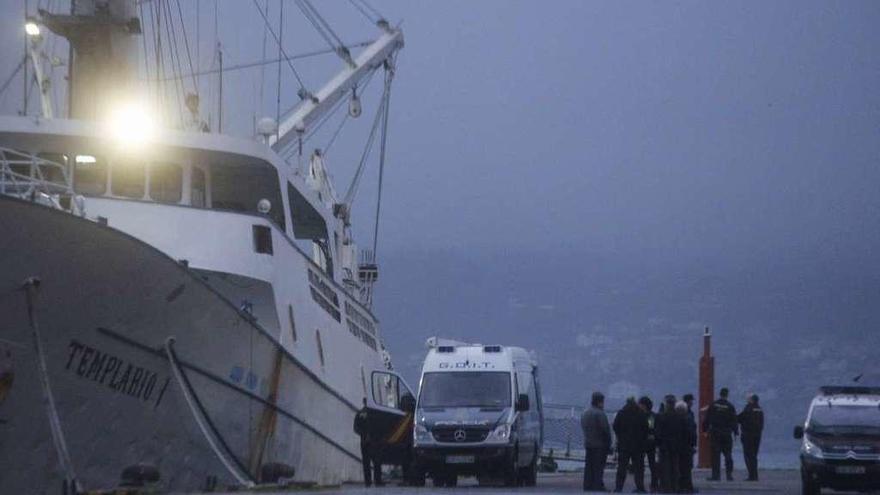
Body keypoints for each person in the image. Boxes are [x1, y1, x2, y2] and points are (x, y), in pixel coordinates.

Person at [613, 397, 649, 493]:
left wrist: (620, 436)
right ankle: (640, 487)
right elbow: (646, 428)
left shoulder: (621, 413)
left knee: (622, 467)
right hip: (638, 446)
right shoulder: (641, 414)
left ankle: (618, 487)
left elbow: (615, 426)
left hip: (624, 445)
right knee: (639, 468)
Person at [702, 387, 738, 481]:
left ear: (720, 394)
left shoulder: (713, 405)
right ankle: (729, 475)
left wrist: (704, 430)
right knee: (728, 454)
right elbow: (734, 420)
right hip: (726, 433)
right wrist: (736, 432)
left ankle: (716, 475)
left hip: (715, 433)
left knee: (715, 455)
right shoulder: (730, 406)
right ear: (727, 395)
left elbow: (707, 419)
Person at [655, 395, 686, 494]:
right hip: (676, 445)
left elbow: (657, 432)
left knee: (665, 468)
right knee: (675, 467)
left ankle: (666, 487)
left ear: (666, 404)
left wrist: (659, 443)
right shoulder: (680, 417)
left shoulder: (661, 416)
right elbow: (683, 432)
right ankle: (675, 486)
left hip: (664, 446)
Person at [581, 391, 612, 492]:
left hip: (588, 443)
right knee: (598, 467)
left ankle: (587, 485)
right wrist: (609, 444)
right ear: (600, 402)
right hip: (599, 445)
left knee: (589, 467)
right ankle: (597, 486)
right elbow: (605, 430)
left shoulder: (585, 412)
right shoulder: (600, 413)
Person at [353, 398, 383, 487]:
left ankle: (368, 482)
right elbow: (379, 426)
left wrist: (363, 434)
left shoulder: (359, 413)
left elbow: (355, 428)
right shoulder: (375, 413)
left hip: (364, 441)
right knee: (377, 462)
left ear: (363, 403)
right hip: (374, 441)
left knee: (366, 463)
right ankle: (378, 481)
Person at [738, 394, 764, 481]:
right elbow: (761, 423)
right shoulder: (760, 409)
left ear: (752, 400)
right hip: (757, 436)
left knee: (748, 455)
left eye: (748, 398)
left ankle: (752, 475)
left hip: (748, 435)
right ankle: (755, 475)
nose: (747, 399)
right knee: (754, 455)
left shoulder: (748, 408)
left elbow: (740, 418)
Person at [638, 396, 660, 492]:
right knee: (652, 465)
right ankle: (654, 484)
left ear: (644, 405)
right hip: (651, 443)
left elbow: (650, 428)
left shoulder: (645, 416)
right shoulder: (652, 415)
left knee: (641, 465)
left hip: (644, 443)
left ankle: (642, 485)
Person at [680, 394, 698, 493]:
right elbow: (691, 431)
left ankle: (685, 486)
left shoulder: (686, 413)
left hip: (684, 444)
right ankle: (687, 486)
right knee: (686, 467)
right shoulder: (688, 414)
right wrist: (693, 443)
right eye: (691, 401)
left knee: (685, 467)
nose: (692, 403)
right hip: (687, 445)